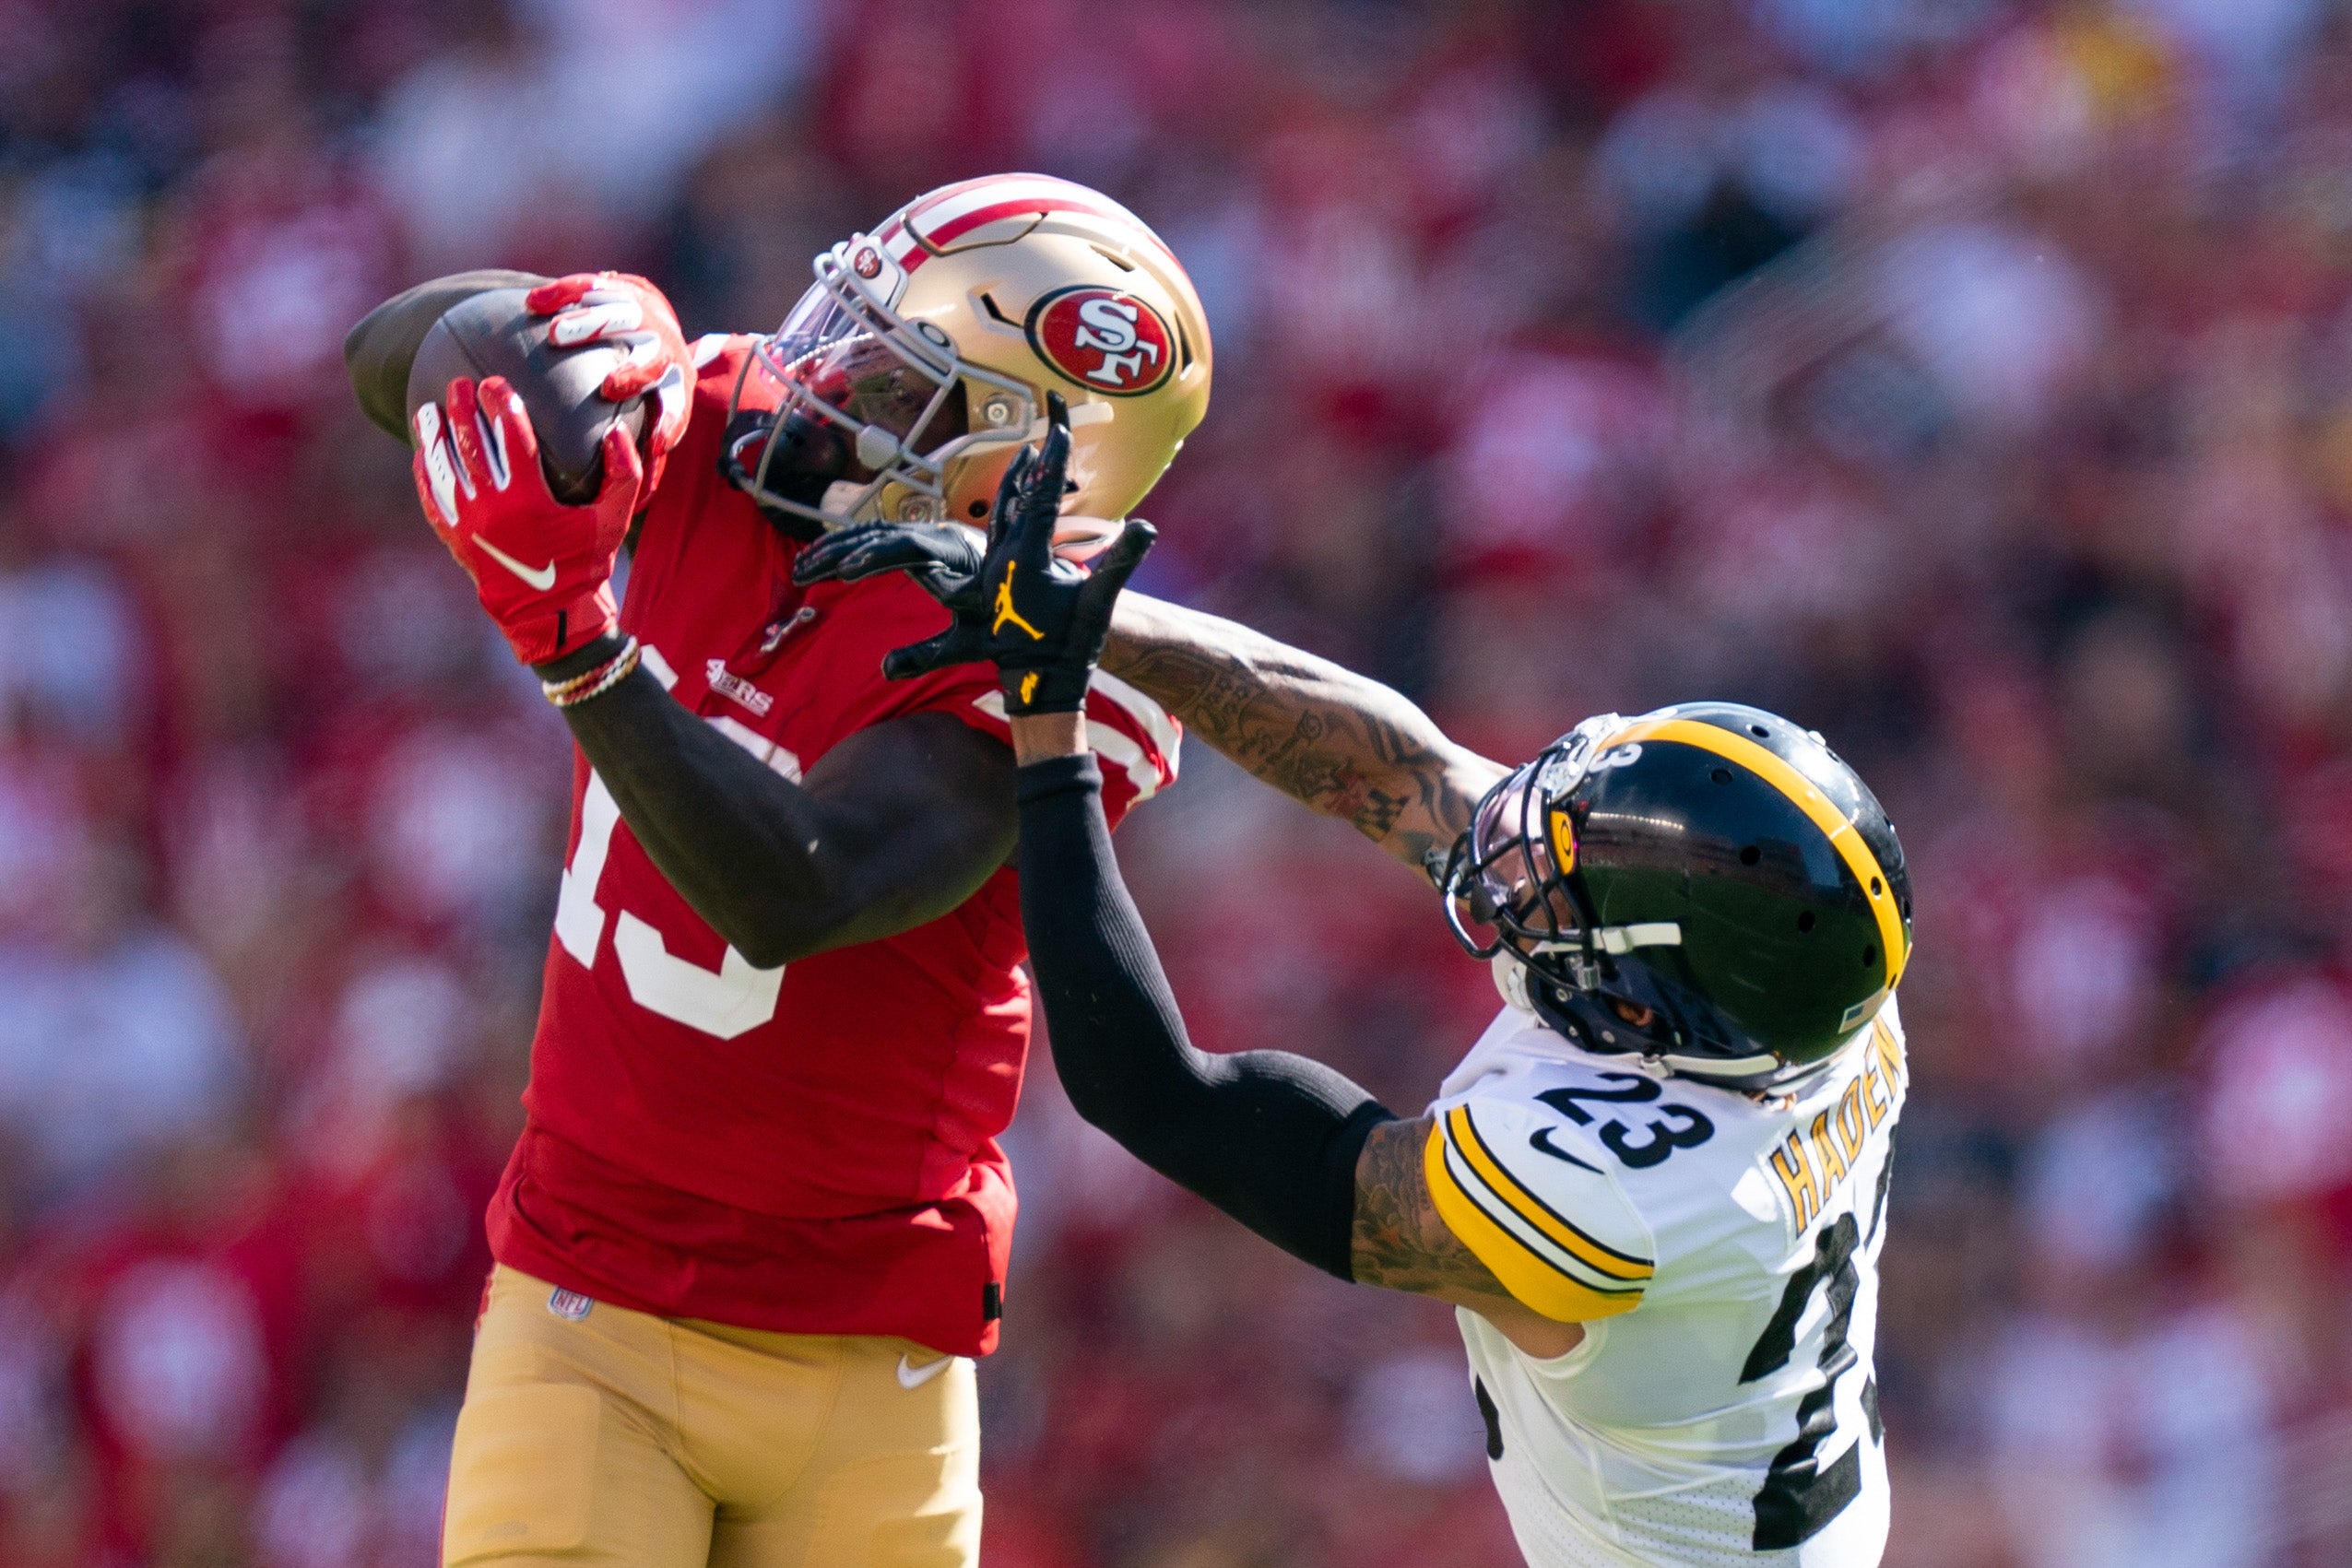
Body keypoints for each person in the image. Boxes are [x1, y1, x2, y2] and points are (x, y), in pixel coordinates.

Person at [797, 404, 1916, 1567]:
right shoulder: (1812, 1005)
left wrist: (1048, 731)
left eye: (1578, 883)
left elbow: (1160, 1094)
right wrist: (1098, 626)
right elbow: (1397, 769)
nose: (1522, 849)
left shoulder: (1619, 1196)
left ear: (1642, 1009)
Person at [341, 173, 1209, 1568]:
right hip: (590, 1307)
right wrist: (534, 327)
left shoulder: (1050, 646)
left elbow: (797, 889)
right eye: (848, 329)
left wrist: (577, 649)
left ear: (1023, 466)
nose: (819, 378)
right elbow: (384, 352)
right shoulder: (712, 424)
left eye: (894, 378)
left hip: (875, 1369)